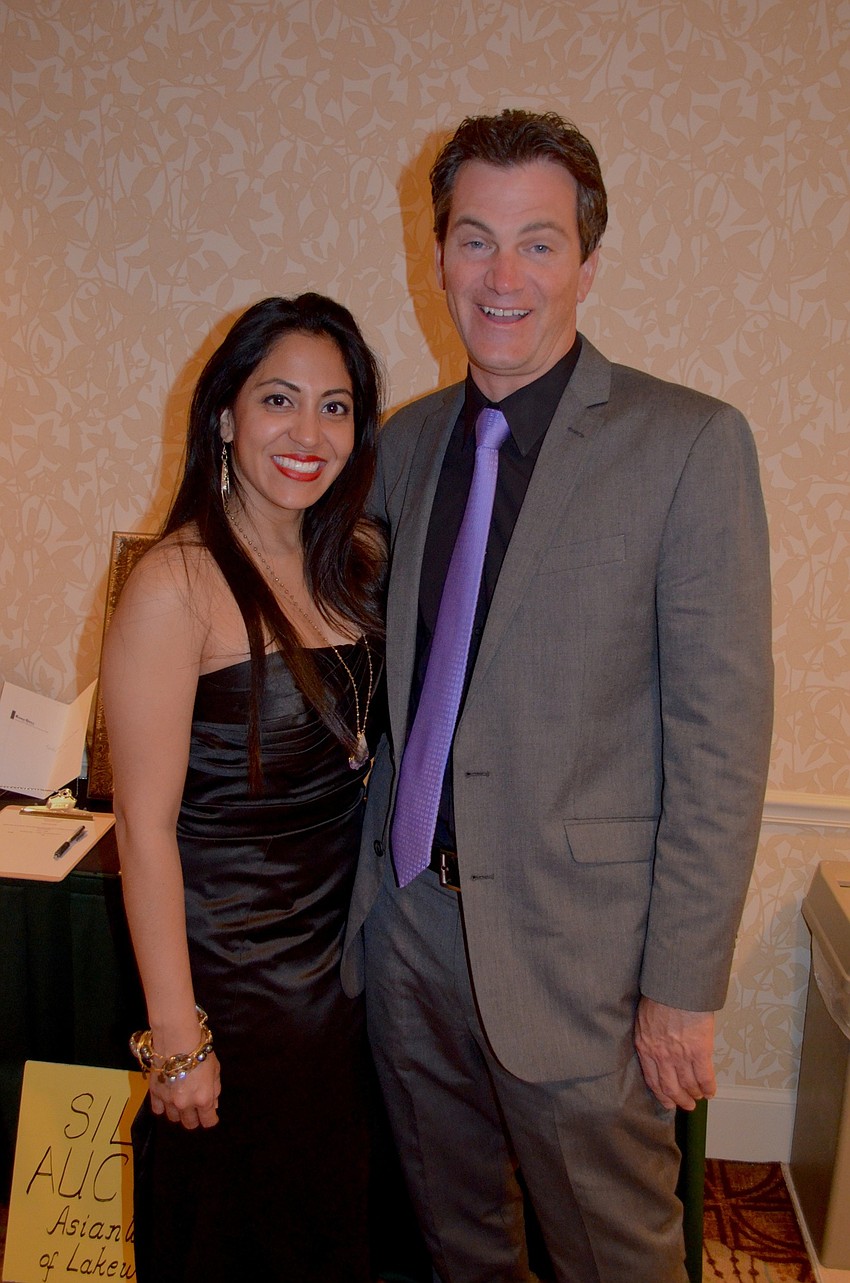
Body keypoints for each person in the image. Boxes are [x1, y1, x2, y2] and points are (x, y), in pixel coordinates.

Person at [342, 109, 774, 1283]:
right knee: (455, 1243)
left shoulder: (687, 444)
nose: (502, 275)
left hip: (583, 961)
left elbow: (721, 739)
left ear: (588, 260)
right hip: (412, 932)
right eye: (474, 239)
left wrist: (682, 990)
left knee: (613, 1256)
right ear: (436, 256)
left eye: (537, 242)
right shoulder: (407, 441)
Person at [101, 293, 385, 1283]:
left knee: (331, 1232)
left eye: (336, 405)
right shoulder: (172, 584)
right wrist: (176, 1037)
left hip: (342, 981)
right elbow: (141, 831)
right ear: (224, 414)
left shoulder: (356, 563)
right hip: (234, 987)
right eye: (278, 399)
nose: (308, 433)